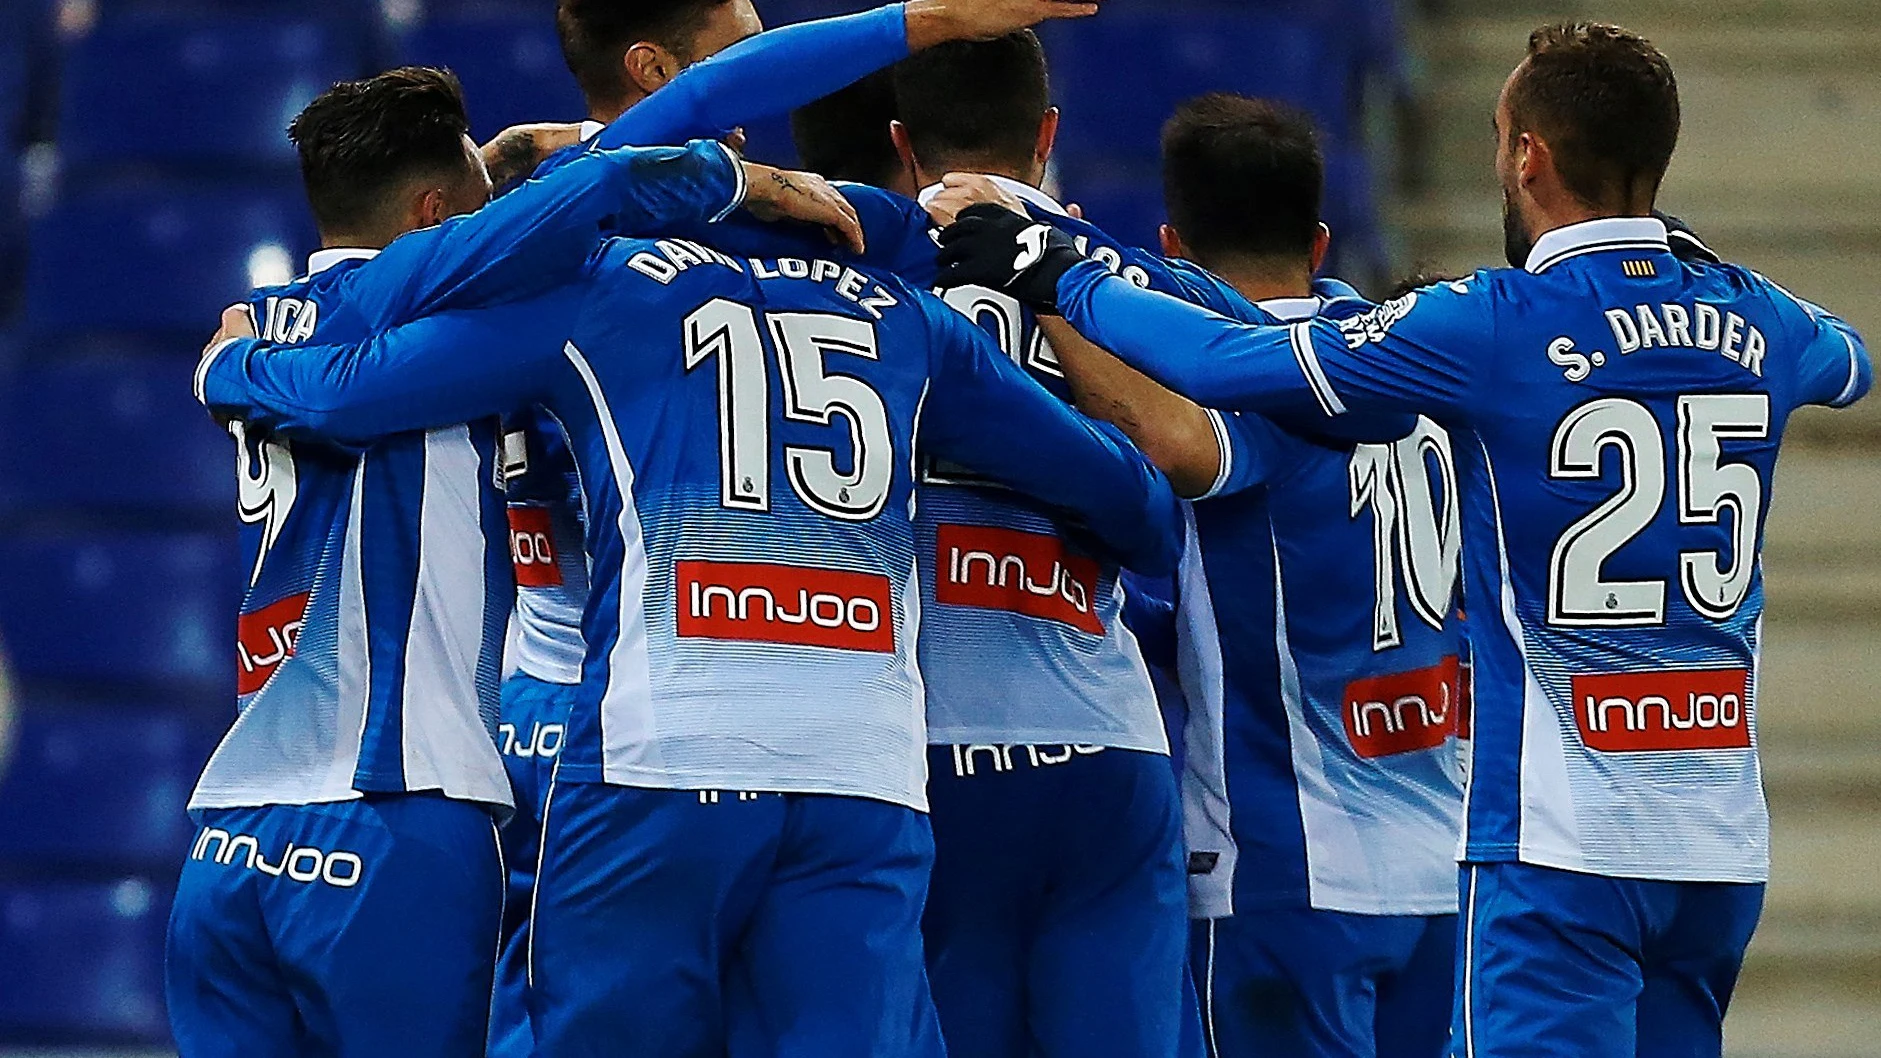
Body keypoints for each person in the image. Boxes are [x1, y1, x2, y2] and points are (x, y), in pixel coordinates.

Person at [934, 22, 1872, 1058]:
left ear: (1529, 157)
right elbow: (1853, 360)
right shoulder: (1761, 317)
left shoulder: (1489, 322)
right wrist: (1689, 270)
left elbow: (1226, 364)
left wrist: (1060, 272)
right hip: (1720, 851)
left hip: (1559, 849)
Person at [195, 214, 1183, 1058]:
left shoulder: (609, 286)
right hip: (859, 782)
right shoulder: (905, 316)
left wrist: (235, 361)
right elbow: (1131, 497)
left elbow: (345, 394)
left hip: (659, 763)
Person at [164, 62, 865, 1057]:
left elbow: (487, 202)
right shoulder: (425, 309)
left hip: (229, 839)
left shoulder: (262, 320)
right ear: (438, 213)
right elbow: (596, 188)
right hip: (392, 815)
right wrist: (745, 181)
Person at [487, 2, 1102, 1051]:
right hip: (639, 715)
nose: (774, 76)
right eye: (748, 44)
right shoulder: (654, 220)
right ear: (652, 68)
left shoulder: (545, 214)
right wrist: (928, 23)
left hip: (600, 707)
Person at [951, 93, 1467, 1058]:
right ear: (1319, 244)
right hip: (1445, 869)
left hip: (1292, 873)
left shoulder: (1251, 384)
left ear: (1172, 246)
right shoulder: (1402, 363)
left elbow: (1172, 436)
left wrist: (1047, 291)